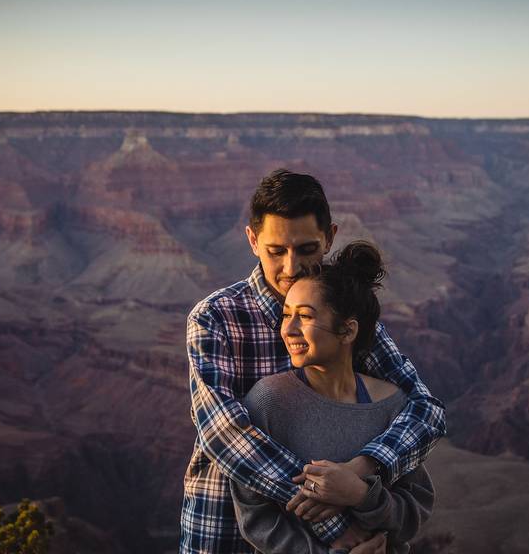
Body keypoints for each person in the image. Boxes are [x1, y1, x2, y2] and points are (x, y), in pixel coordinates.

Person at [181, 169, 445, 553]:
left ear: (330, 238)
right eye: (276, 251)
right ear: (253, 241)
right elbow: (224, 434)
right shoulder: (215, 318)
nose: (291, 268)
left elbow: (427, 412)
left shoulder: (342, 316)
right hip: (226, 533)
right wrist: (334, 519)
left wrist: (360, 473)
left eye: (306, 249)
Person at [231, 241, 434, 554]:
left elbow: (413, 512)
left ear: (347, 331)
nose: (289, 329)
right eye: (286, 315)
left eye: (306, 316)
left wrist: (360, 494)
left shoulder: (391, 406)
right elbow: (256, 518)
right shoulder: (267, 402)